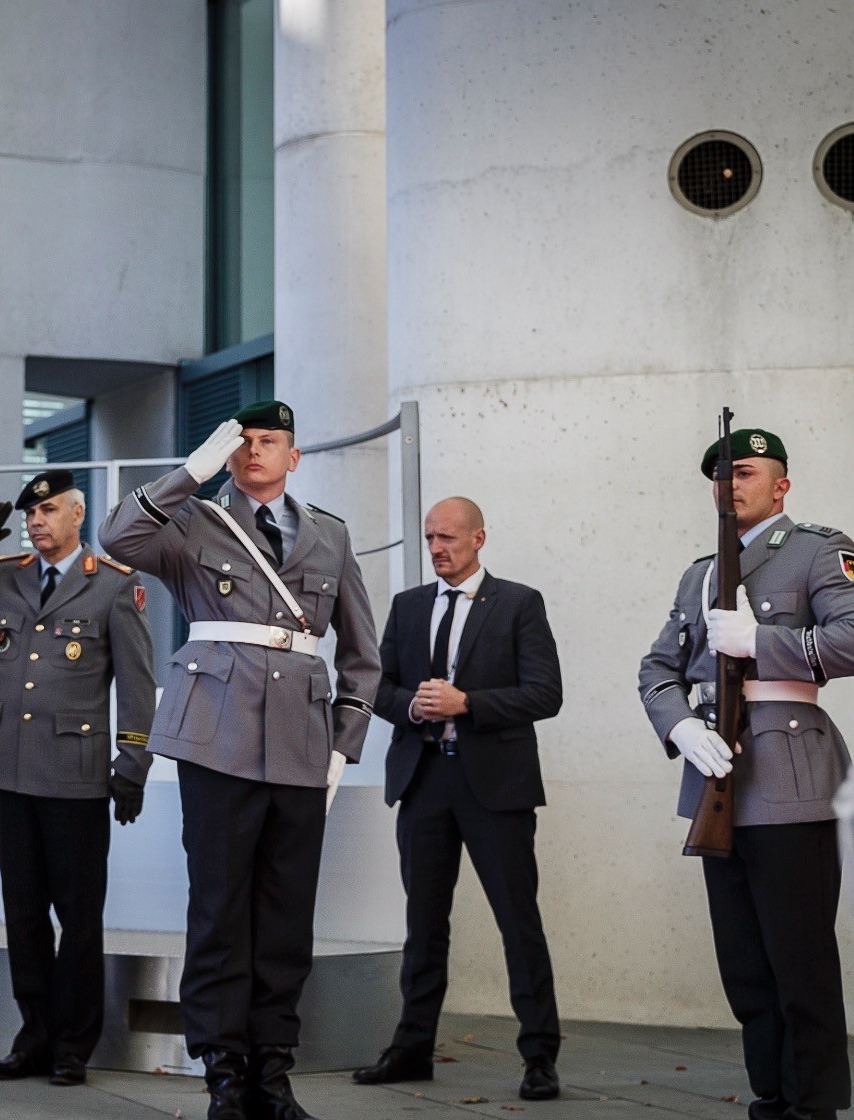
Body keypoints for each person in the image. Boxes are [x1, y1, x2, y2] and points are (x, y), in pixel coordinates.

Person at [100, 401, 379, 1120]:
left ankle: (272, 1072)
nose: (255, 451)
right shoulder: (193, 520)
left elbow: (362, 655)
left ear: (294, 456)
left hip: (301, 742)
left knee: (285, 916)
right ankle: (224, 1072)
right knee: (221, 909)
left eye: (271, 441)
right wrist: (187, 474)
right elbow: (117, 535)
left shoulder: (331, 535)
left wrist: (345, 742)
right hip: (215, 735)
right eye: (244, 442)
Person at [0, 469, 156, 1087]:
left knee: (78, 916)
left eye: (48, 510)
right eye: (30, 513)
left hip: (75, 777)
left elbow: (134, 685)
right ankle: (35, 1035)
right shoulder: (3, 577)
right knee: (23, 914)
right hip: (10, 767)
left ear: (78, 515)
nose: (36, 521)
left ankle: (74, 1045)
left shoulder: (111, 588)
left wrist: (132, 764)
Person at [639, 428, 852, 1120]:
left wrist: (758, 642)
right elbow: (657, 669)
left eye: (747, 472)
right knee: (746, 963)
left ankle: (814, 1106)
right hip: (716, 774)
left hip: (790, 776)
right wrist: (681, 726)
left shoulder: (819, 550)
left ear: (781, 485)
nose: (731, 485)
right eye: (721, 475)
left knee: (801, 960)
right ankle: (771, 1096)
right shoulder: (700, 571)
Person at [353, 498, 564, 1100]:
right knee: (423, 925)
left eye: (448, 537)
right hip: (424, 781)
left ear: (479, 539)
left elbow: (545, 694)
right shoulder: (409, 605)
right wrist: (412, 706)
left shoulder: (520, 603)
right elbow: (379, 687)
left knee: (517, 922)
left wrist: (466, 703)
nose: (437, 548)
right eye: (429, 539)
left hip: (495, 787)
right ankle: (412, 1048)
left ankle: (540, 1056)